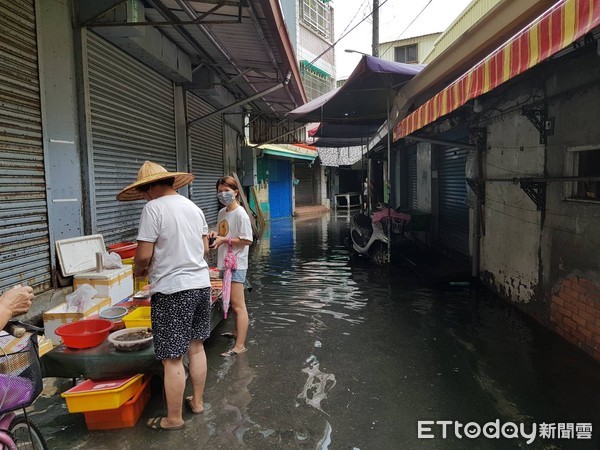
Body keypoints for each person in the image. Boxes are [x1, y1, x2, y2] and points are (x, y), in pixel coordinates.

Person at [117, 161, 211, 431]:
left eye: (144, 192)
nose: (144, 197)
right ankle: (198, 402)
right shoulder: (193, 207)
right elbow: (204, 248)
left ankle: (173, 418)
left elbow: (144, 254)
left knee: (171, 358)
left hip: (172, 290)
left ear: (149, 188)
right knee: (196, 347)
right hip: (201, 284)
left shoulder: (153, 208)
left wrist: (138, 270)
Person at [208, 176, 253, 357]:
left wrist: (223, 239)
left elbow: (247, 239)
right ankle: (235, 333)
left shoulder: (241, 213)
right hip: (225, 263)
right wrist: (215, 234)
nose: (223, 194)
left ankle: (240, 345)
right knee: (234, 304)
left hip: (236, 264)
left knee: (238, 305)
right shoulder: (222, 213)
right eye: (219, 191)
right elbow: (224, 232)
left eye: (227, 190)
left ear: (235, 192)